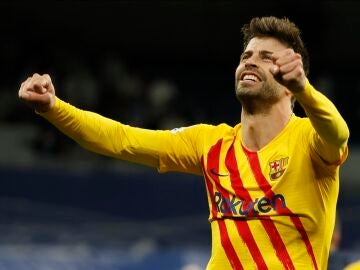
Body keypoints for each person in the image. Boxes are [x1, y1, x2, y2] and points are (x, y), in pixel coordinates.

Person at [18, 16, 349, 269]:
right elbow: (121, 139)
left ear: (290, 83)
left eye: (266, 57)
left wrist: (306, 89)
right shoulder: (209, 143)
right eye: (246, 55)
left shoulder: (309, 140)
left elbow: (338, 133)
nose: (249, 61)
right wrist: (53, 108)